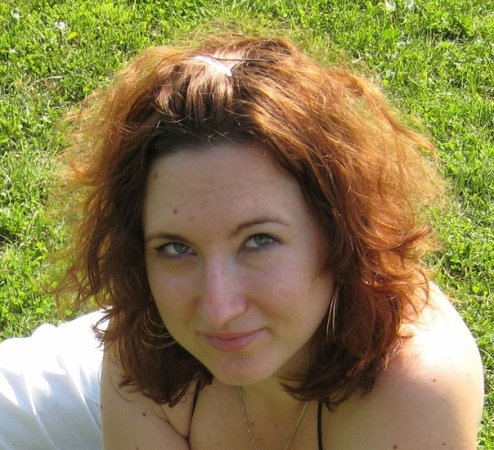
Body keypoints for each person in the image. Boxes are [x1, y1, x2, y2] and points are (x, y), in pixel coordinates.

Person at [58, 35, 483, 449]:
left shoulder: (413, 387)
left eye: (259, 240)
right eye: (175, 248)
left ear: (339, 232)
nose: (219, 309)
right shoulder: (147, 338)